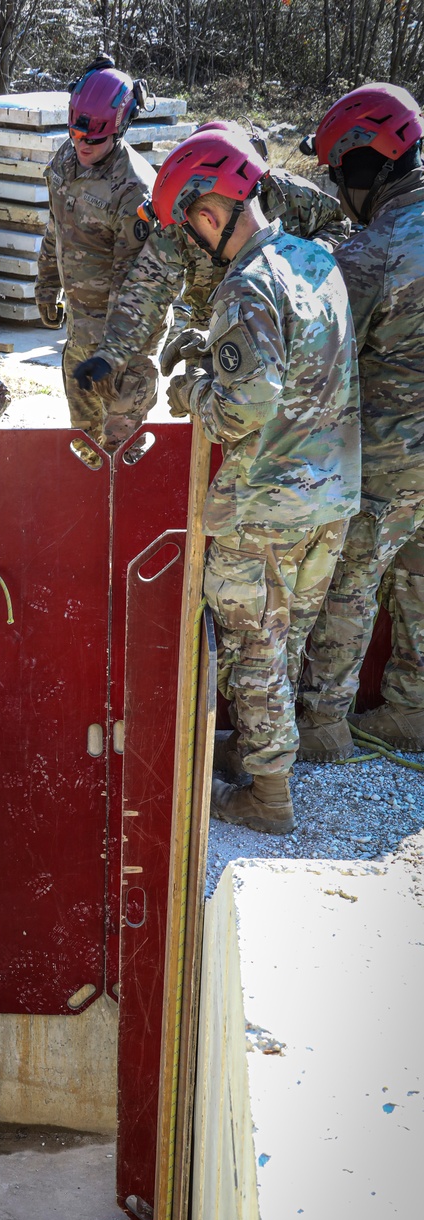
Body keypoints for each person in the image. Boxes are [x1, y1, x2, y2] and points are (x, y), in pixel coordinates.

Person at [156, 128, 361, 834]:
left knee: (255, 645)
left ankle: (268, 796)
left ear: (208, 213)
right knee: (291, 632)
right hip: (332, 494)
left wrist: (193, 390)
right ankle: (260, 756)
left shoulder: (245, 286)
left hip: (268, 501)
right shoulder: (317, 261)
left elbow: (245, 407)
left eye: (189, 225)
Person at [296, 85, 424, 759]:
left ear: (360, 168)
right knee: (421, 578)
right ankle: (411, 709)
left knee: (352, 581)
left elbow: (316, 355)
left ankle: (321, 725)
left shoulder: (371, 256)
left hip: (389, 456)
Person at [86, 120, 350, 389]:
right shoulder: (186, 211)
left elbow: (340, 224)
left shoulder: (291, 193)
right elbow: (148, 286)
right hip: (210, 334)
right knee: (208, 411)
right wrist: (113, 352)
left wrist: (305, 271)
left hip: (287, 328)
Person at [33, 56, 158, 451]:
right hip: (82, 333)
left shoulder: (133, 188)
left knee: (123, 450)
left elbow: (137, 284)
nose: (82, 145)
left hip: (124, 344)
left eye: (94, 139)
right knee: (85, 448)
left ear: (120, 128)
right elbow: (57, 226)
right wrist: (46, 284)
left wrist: (111, 355)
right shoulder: (65, 161)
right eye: (76, 134)